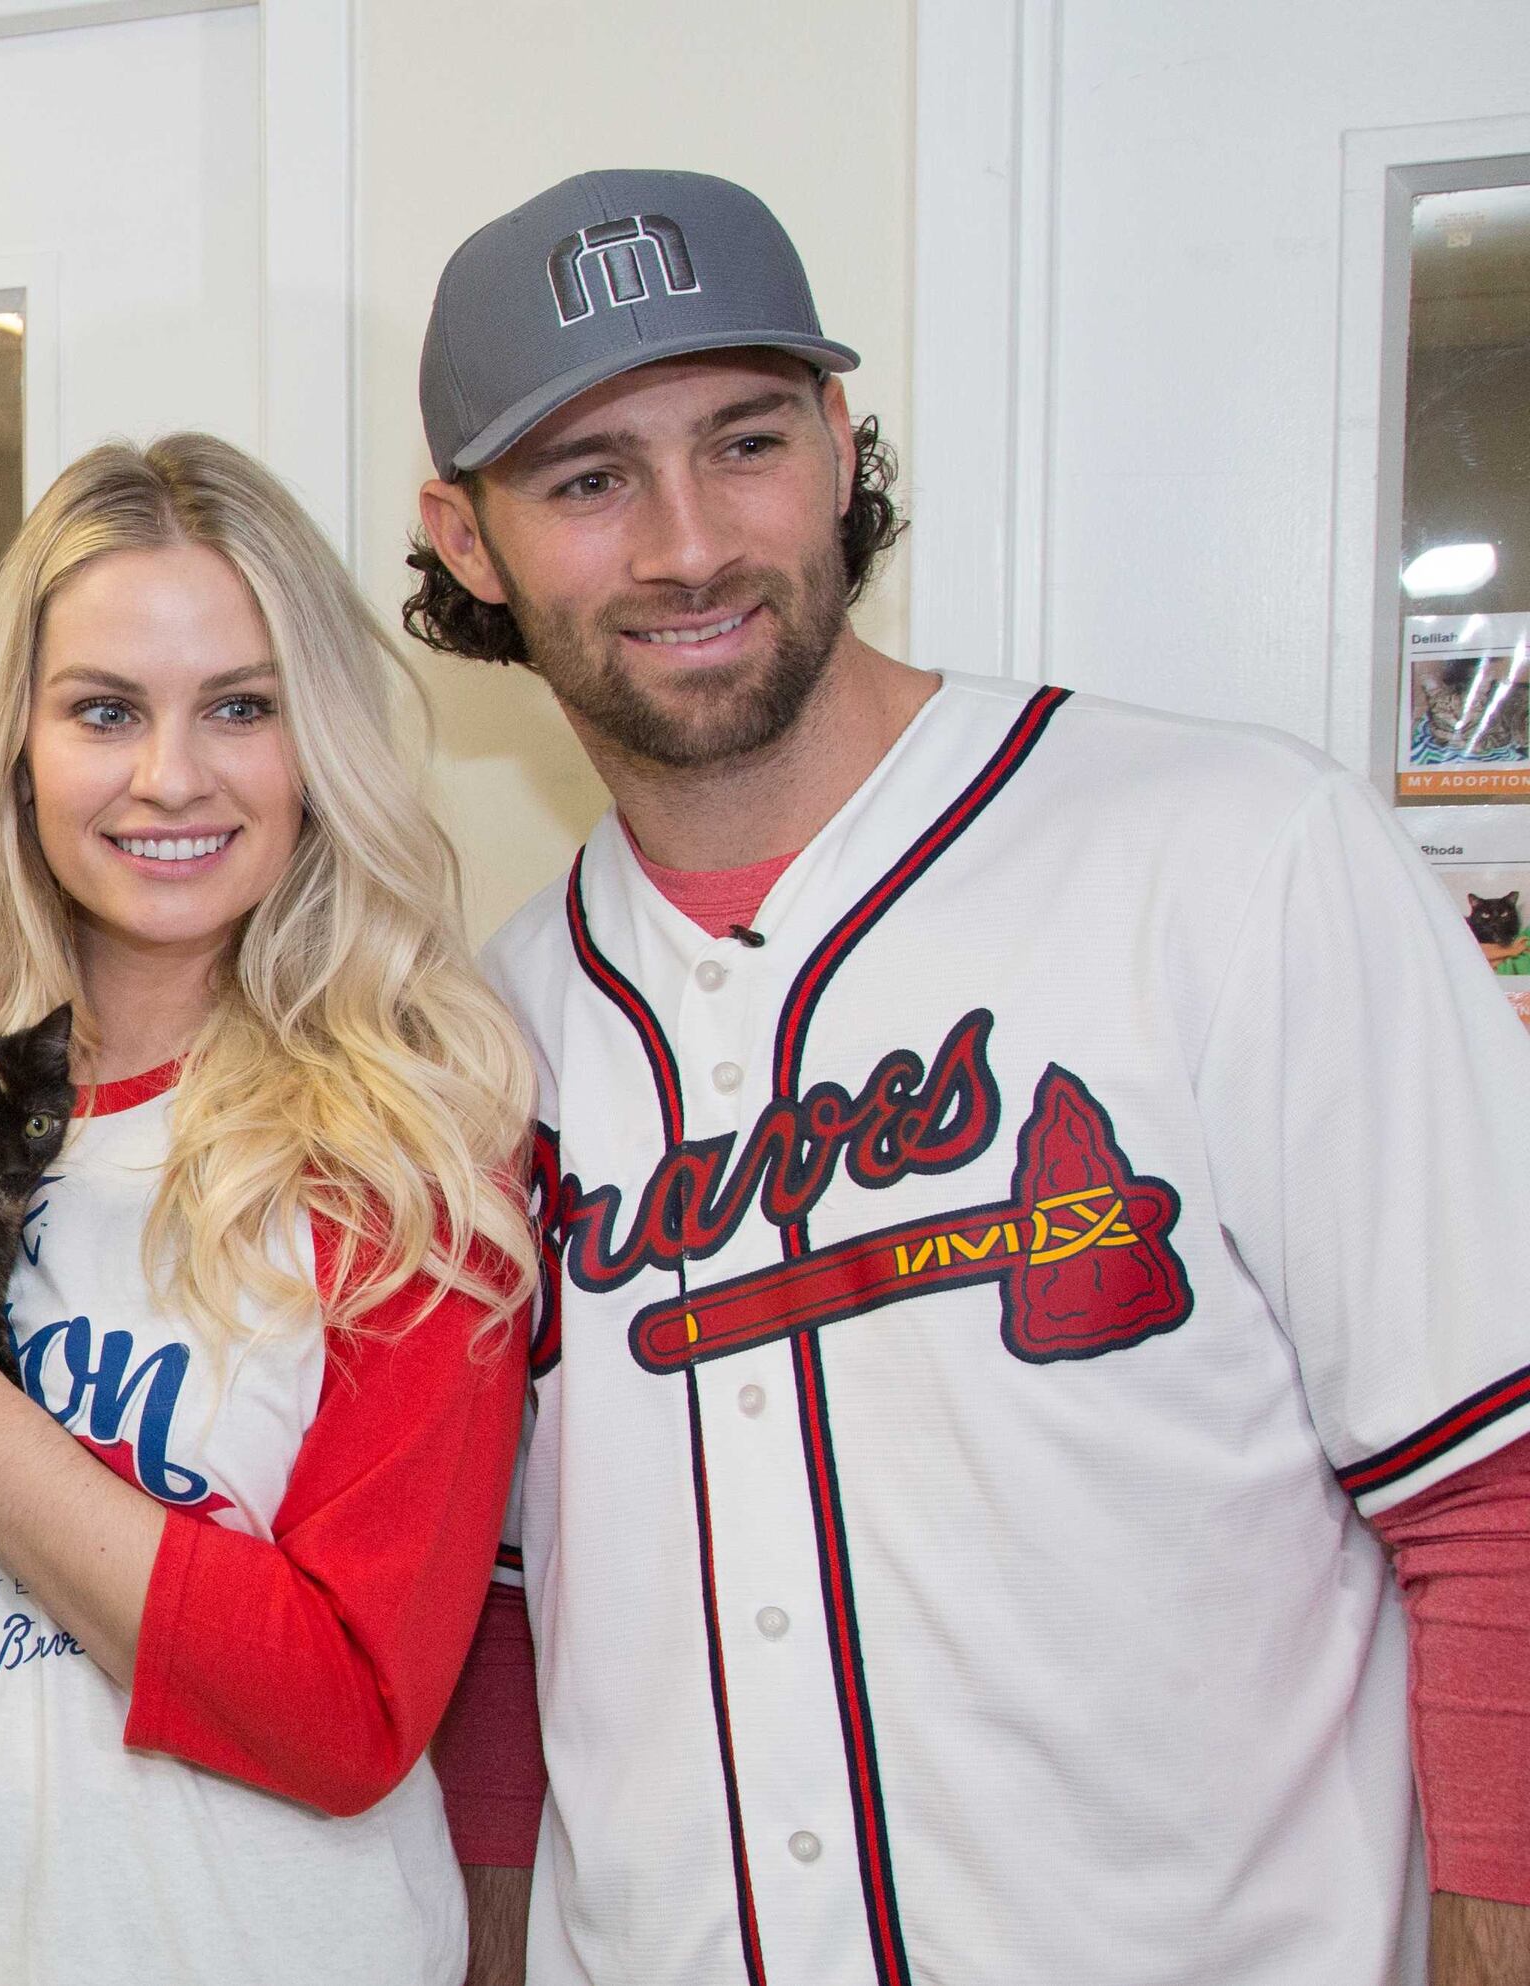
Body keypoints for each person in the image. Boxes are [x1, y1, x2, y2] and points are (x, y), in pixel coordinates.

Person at [406, 170, 1530, 1985]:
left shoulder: (1235, 858)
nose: (690, 541)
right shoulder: (475, 1046)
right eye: (589, 479)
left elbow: (1499, 1497)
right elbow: (511, 1643)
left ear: (842, 445)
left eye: (747, 439)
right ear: (467, 540)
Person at [0, 433, 541, 1982]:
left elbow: (347, 1714)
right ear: (20, 741)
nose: (169, 776)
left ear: (316, 739)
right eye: (103, 711)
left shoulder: (415, 1148)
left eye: (241, 706)